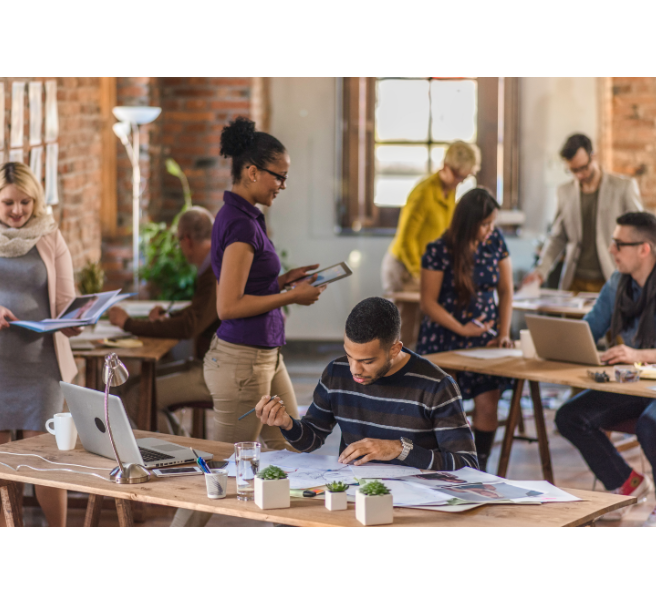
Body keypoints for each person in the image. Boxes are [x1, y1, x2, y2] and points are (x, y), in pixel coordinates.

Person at [556, 213, 656, 528]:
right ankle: (627, 484)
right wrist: (554, 344)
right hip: (637, 383)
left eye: (619, 244)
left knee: (653, 425)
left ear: (644, 248)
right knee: (570, 416)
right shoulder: (618, 282)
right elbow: (589, 329)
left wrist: (637, 354)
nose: (611, 250)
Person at [0, 163, 82, 528]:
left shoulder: (50, 236)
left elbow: (67, 300)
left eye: (26, 202)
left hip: (41, 370)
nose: (19, 210)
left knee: (47, 467)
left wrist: (75, 321)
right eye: (9, 202)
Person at [205, 116, 326, 451]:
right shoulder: (241, 225)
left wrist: (285, 281)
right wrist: (291, 297)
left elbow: (249, 284)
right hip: (243, 363)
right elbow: (228, 306)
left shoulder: (245, 217)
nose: (282, 185)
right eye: (279, 177)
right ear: (253, 172)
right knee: (225, 473)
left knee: (289, 452)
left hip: (265, 358)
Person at [255, 298, 478, 472]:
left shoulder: (437, 386)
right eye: (349, 356)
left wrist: (399, 450)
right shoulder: (337, 373)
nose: (354, 369)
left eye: (367, 361)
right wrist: (286, 424)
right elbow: (311, 439)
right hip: (356, 493)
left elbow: (467, 464)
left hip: (421, 500)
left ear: (395, 348)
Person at [416, 188, 514, 472]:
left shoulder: (495, 241)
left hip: (485, 339)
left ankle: (478, 468)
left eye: (492, 223)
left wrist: (503, 333)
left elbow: (506, 292)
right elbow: (428, 303)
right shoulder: (438, 249)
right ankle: (446, 465)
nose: (490, 230)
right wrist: (461, 328)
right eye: (485, 224)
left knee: (488, 403)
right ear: (467, 222)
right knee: (446, 408)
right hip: (444, 337)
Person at [108, 207, 220, 429]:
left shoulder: (214, 271)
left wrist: (128, 323)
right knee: (131, 387)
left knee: (138, 396)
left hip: (214, 373)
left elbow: (190, 326)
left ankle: (177, 458)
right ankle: (183, 450)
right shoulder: (213, 266)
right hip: (207, 365)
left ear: (187, 239)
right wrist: (169, 317)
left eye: (178, 240)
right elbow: (199, 313)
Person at [383, 142, 481, 348]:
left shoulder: (449, 191)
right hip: (404, 267)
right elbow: (405, 241)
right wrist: (421, 273)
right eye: (457, 176)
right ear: (445, 166)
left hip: (425, 267)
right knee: (404, 332)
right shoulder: (423, 193)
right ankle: (393, 378)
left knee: (423, 329)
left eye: (464, 178)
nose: (459, 182)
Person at [524, 134, 644, 293]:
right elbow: (558, 237)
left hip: (611, 278)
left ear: (593, 156)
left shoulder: (623, 188)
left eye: (584, 168)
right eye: (573, 170)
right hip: (574, 281)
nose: (580, 175)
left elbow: (641, 233)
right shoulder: (564, 192)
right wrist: (541, 271)